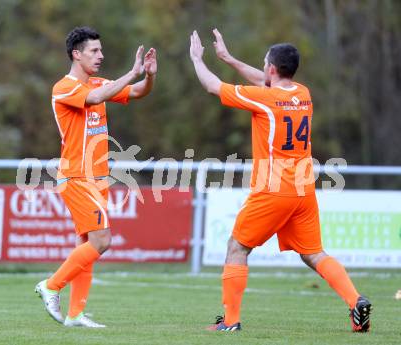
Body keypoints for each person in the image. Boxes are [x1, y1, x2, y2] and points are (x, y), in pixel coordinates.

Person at [189, 29, 371, 333]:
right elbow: (264, 83)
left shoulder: (266, 99)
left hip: (274, 188)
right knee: (313, 253)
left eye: (263, 64)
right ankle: (355, 301)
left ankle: (231, 322)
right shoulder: (303, 93)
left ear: (272, 69)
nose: (261, 69)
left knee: (237, 248)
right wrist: (228, 58)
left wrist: (198, 59)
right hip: (303, 188)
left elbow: (212, 86)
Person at [35, 26, 157, 327]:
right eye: (94, 51)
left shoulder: (99, 83)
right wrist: (132, 72)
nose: (101, 56)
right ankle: (51, 285)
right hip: (77, 175)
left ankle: (75, 314)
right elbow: (97, 96)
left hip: (98, 177)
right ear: (76, 54)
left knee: (87, 244)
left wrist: (148, 75)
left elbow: (139, 91)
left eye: (101, 51)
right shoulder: (64, 88)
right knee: (102, 240)